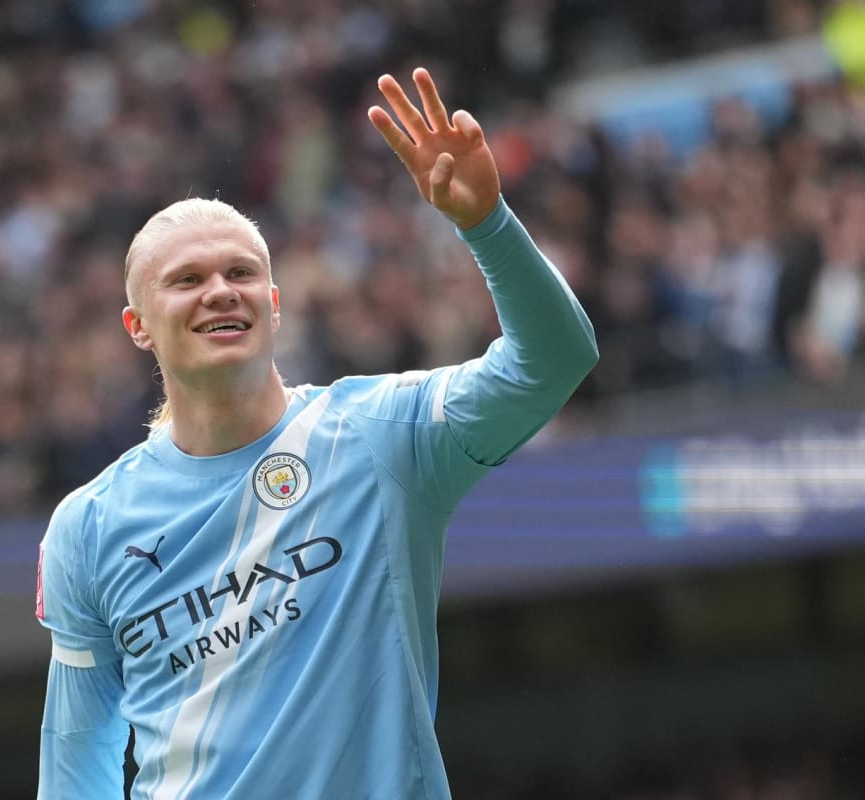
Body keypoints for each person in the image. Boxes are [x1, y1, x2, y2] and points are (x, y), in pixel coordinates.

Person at [35, 67, 598, 799]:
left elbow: (552, 362)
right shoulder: (87, 527)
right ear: (137, 326)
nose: (218, 291)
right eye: (186, 279)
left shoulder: (377, 436)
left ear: (273, 303)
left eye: (240, 272)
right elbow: (77, 764)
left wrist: (485, 222)